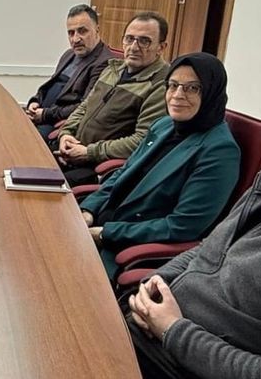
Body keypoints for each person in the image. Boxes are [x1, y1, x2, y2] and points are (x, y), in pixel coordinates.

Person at [128, 78, 261, 379]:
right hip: (148, 331)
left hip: (174, 365)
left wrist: (172, 329)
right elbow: (208, 249)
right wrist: (155, 283)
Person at [78, 53, 240, 279]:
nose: (178, 95)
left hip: (127, 245)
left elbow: (182, 226)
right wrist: (88, 210)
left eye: (192, 88)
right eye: (173, 85)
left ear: (212, 92)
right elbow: (123, 173)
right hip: (99, 224)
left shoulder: (220, 150)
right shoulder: (164, 125)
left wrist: (107, 234)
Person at [55, 12, 170, 186]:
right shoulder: (113, 69)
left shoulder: (161, 85)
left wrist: (89, 152)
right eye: (129, 39)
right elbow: (85, 106)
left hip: (97, 166)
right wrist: (66, 134)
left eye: (144, 41)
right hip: (73, 150)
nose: (134, 47)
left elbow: (142, 140)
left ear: (161, 47)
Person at [26, 4, 116, 140]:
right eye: (71, 33)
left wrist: (45, 114)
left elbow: (86, 106)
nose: (75, 39)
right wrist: (36, 101)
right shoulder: (69, 54)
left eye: (82, 31)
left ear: (97, 30)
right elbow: (51, 85)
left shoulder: (104, 63)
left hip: (58, 123)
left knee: (23, 139)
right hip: (41, 113)